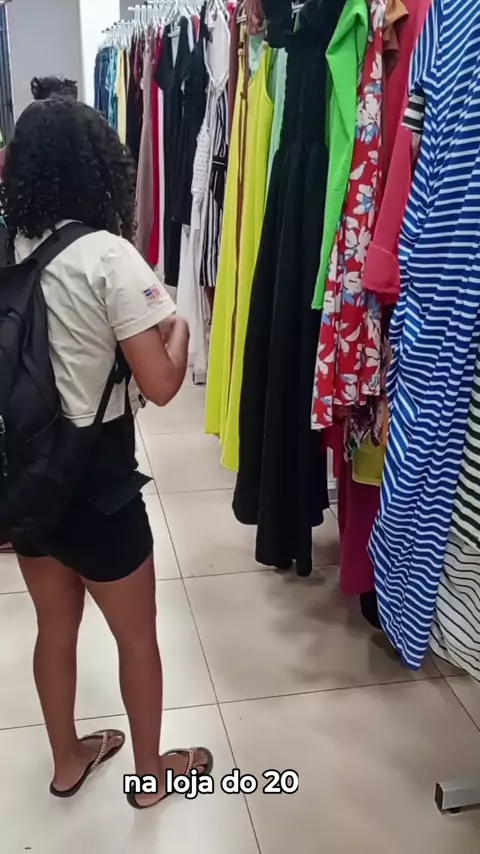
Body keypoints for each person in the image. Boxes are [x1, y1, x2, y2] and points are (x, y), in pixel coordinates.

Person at [2, 97, 212, 809]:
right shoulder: (106, 255)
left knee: (53, 629)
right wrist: (179, 327)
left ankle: (67, 760)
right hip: (98, 479)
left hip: (28, 473)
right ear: (97, 167)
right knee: (136, 637)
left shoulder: (10, 248)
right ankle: (151, 776)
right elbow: (161, 383)